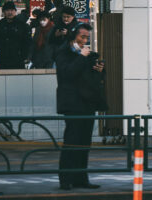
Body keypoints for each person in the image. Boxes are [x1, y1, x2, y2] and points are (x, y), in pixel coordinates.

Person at [55, 23, 106, 190]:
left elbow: (92, 77)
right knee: (72, 141)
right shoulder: (64, 52)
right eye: (82, 36)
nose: (84, 40)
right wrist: (81, 57)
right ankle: (65, 179)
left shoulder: (87, 54)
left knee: (85, 143)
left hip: (87, 102)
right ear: (73, 35)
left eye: (87, 37)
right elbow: (67, 74)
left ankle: (81, 178)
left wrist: (99, 71)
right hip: (72, 103)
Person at [0, 1, 32, 69]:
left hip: (18, 59)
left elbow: (28, 42)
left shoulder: (22, 25)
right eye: (7, 10)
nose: (10, 12)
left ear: (15, 11)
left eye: (12, 10)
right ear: (4, 12)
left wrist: (27, 56)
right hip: (1, 58)